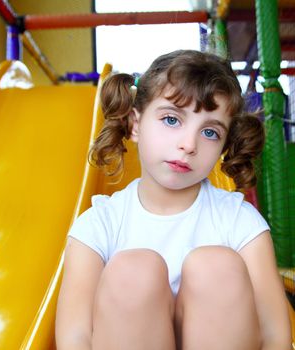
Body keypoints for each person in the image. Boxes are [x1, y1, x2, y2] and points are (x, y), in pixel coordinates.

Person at [55, 50, 291, 350]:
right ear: (135, 123)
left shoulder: (239, 222)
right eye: (171, 119)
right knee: (133, 271)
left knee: (216, 267)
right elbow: (75, 336)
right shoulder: (99, 224)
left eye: (209, 132)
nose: (188, 144)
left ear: (224, 146)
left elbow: (275, 333)